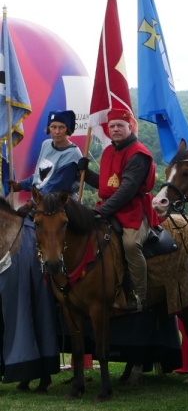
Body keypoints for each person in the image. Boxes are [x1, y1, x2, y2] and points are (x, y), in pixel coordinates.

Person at [78, 109, 162, 313]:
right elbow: (107, 185)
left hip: (133, 209)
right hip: (111, 207)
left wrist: (103, 211)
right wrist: (86, 174)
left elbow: (127, 190)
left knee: (131, 245)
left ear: (130, 127)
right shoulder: (109, 151)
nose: (115, 129)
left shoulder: (138, 154)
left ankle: (140, 296)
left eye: (120, 126)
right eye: (112, 126)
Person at [6, 110, 83, 216]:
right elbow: (41, 177)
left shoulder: (72, 154)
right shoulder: (46, 144)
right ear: (48, 128)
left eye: (61, 127)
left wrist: (30, 204)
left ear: (68, 130)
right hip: (42, 199)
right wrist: (20, 185)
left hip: (62, 205)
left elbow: (56, 186)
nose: (57, 131)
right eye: (53, 127)